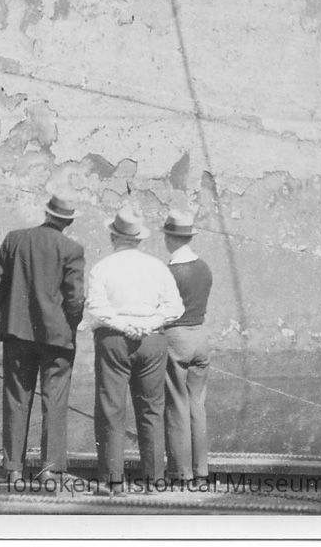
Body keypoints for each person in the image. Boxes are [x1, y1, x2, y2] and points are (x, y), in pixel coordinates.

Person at [84, 204, 184, 492]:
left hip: (114, 339)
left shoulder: (102, 267)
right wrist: (149, 322)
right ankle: (154, 481)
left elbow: (98, 309)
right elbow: (174, 307)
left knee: (111, 408)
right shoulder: (157, 267)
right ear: (139, 239)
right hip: (152, 339)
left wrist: (125, 325)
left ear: (114, 237)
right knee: (152, 409)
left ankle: (113, 482)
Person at [0, 187, 84, 482]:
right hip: (57, 338)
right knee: (54, 400)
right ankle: (50, 471)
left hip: (17, 335)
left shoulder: (15, 239)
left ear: (46, 213)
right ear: (68, 222)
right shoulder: (72, 250)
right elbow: (75, 299)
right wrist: (69, 324)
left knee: (16, 398)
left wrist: (12, 315)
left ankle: (13, 469)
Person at [162, 209, 213, 483]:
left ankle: (181, 472)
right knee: (197, 404)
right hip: (201, 336)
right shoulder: (204, 267)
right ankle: (201, 470)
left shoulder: (169, 271)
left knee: (177, 405)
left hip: (177, 337)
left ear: (169, 238)